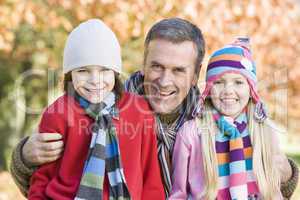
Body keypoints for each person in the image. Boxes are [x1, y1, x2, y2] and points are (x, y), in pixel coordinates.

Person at [10, 18, 298, 199]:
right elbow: (52, 179)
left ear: (196, 72)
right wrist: (24, 156)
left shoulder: (214, 116)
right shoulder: (106, 107)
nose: (164, 80)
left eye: (178, 70)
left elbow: (255, 170)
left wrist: (286, 175)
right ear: (143, 62)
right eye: (156, 66)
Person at [27, 19, 165, 200]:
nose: (95, 80)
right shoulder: (58, 113)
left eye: (104, 70)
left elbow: (151, 179)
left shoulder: (139, 111)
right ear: (70, 74)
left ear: (115, 73)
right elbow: (42, 179)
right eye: (83, 70)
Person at [169, 38, 298, 199]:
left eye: (238, 82)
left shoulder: (264, 129)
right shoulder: (191, 133)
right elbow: (178, 193)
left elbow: (276, 187)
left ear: (251, 89)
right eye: (219, 82)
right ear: (208, 88)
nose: (228, 90)